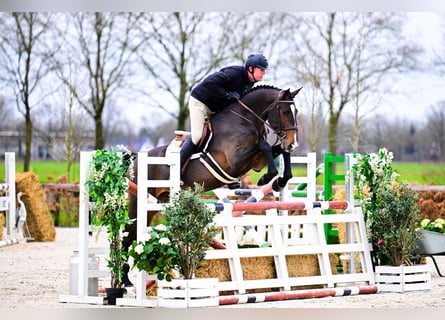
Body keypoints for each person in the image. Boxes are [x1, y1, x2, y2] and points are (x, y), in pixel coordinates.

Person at [180, 53, 269, 170]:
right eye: (261, 70)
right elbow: (208, 83)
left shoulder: (250, 84)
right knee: (197, 136)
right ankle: (176, 169)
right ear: (251, 69)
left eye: (264, 70)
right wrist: (227, 94)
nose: (264, 73)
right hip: (200, 103)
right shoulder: (234, 73)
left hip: (216, 108)